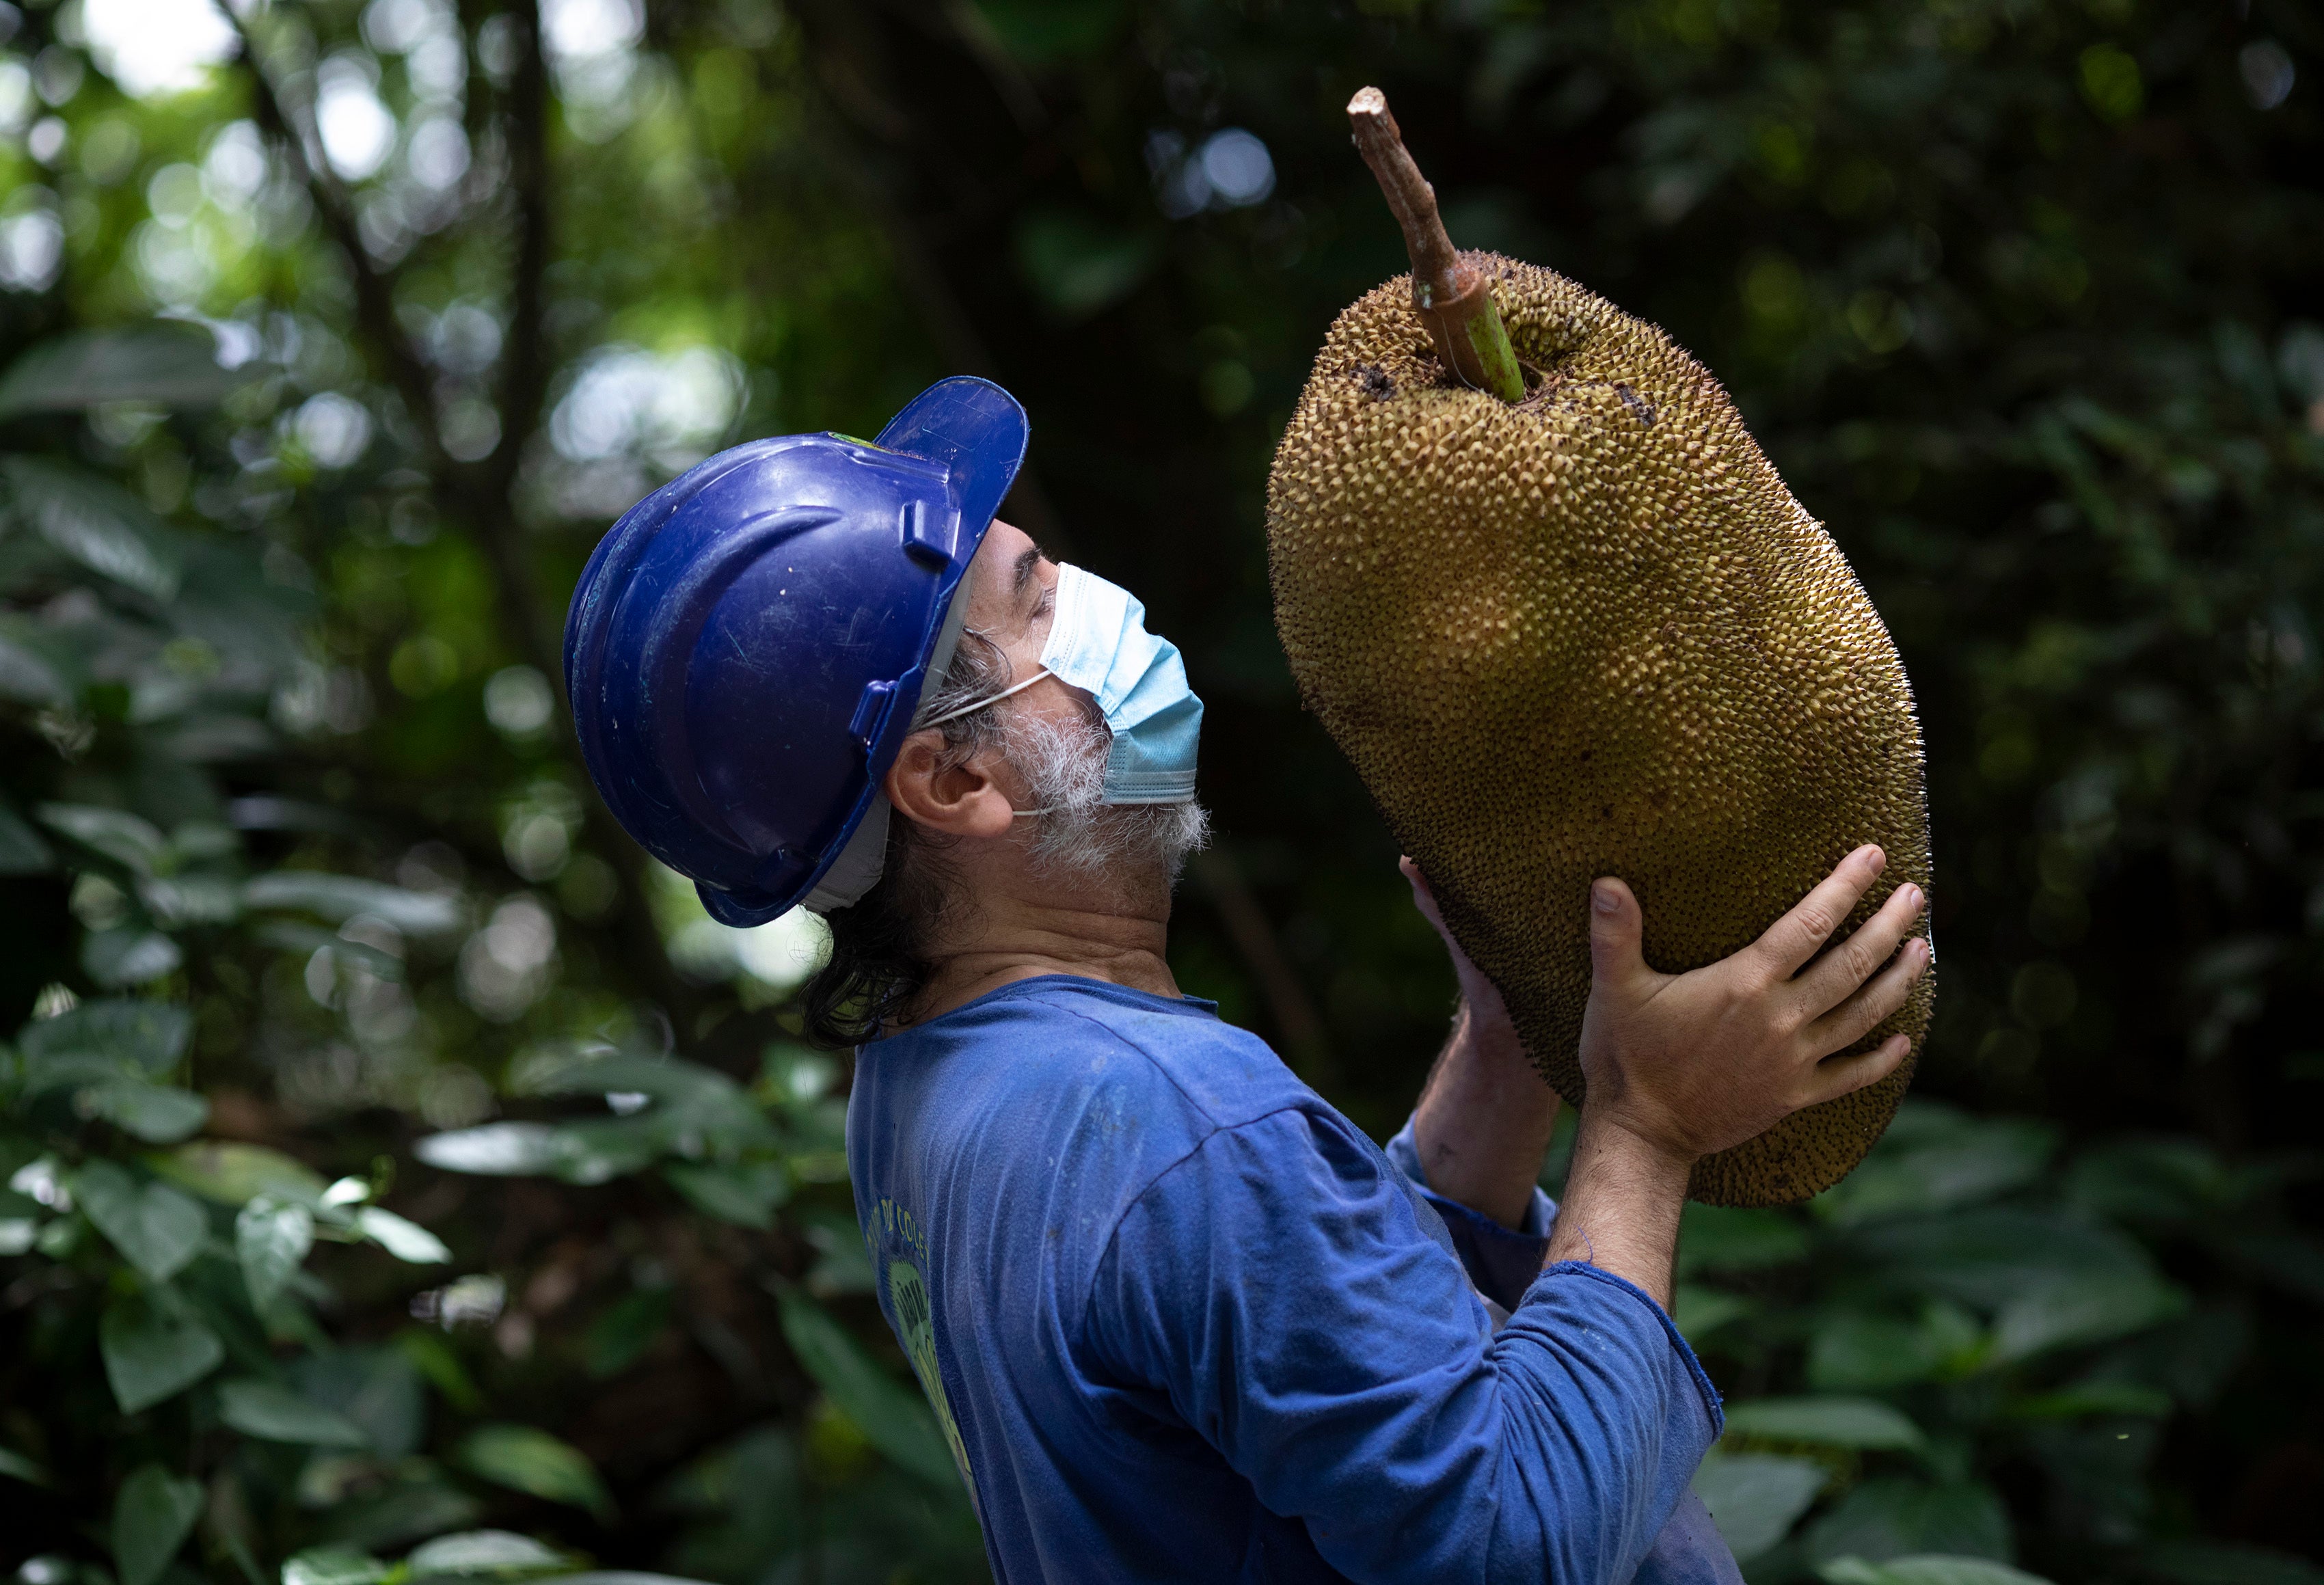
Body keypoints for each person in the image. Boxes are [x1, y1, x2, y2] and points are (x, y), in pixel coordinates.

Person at [565, 379, 1931, 1584]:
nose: (1101, 601)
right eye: (1039, 591)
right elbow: (1514, 1539)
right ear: (956, 779)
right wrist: (1643, 1132)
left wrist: (1504, 1053)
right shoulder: (1170, 1118)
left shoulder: (931, 1093)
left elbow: (1282, 1344)